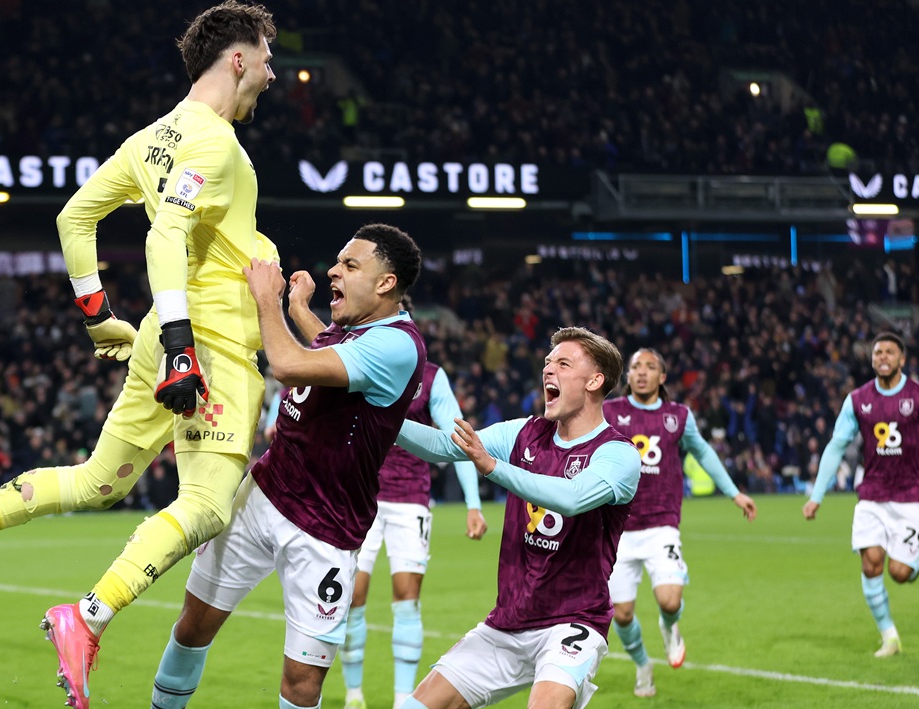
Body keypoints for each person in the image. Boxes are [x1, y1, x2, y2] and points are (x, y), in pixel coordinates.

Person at [0, 3, 279, 707]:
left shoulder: (150, 138)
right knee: (210, 505)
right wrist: (183, 346)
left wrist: (99, 318)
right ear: (237, 58)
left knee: (97, 480)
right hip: (207, 346)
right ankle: (87, 617)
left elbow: (75, 218)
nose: (275, 73)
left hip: (163, 329)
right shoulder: (215, 143)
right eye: (268, 57)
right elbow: (165, 238)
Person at [150, 223, 424, 709]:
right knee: (191, 626)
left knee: (301, 683)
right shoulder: (355, 330)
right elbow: (329, 350)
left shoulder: (399, 344)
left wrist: (269, 300)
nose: (333, 271)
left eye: (350, 265)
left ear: (386, 283)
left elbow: (292, 366)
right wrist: (298, 309)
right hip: (264, 493)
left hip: (326, 529)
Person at [393, 326, 642, 709]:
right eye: (547, 362)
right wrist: (380, 418)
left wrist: (493, 467)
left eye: (563, 363)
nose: (548, 370)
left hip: (572, 622)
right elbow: (445, 446)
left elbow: (572, 498)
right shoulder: (524, 433)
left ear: (595, 380)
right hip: (507, 623)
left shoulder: (617, 454)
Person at [277, 292, 488, 709]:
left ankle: (398, 698)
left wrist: (474, 503)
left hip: (410, 498)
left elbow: (456, 438)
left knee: (406, 597)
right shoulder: (353, 358)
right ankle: (354, 694)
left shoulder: (430, 376)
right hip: (360, 495)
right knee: (353, 597)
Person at [602, 349, 757, 697]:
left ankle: (669, 626)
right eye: (636, 367)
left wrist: (734, 493)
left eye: (650, 367)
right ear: (627, 376)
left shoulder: (678, 416)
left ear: (663, 377)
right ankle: (643, 665)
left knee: (670, 601)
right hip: (617, 529)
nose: (641, 373)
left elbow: (702, 451)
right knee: (622, 615)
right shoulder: (610, 412)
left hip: (662, 523)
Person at [803, 332, 919, 657]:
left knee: (899, 573)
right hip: (873, 495)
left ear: (902, 360)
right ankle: (889, 635)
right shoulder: (857, 399)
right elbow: (836, 446)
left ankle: (913, 565)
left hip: (913, 495)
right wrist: (816, 495)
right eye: (878, 352)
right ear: (872, 358)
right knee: (871, 564)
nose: (883, 357)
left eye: (890, 352)